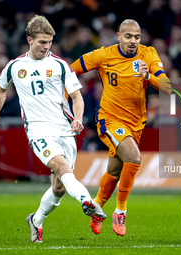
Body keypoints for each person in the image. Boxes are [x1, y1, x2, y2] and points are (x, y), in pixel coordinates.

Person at [0, 15, 106, 243]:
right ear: (29, 40)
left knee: (59, 187)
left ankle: (36, 220)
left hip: (64, 129)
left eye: (49, 42)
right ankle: (88, 202)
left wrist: (78, 118)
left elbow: (77, 97)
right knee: (61, 167)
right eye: (42, 42)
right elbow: (0, 89)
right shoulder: (15, 66)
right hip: (38, 130)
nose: (46, 46)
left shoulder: (59, 64)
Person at [71, 19, 171, 236]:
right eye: (128, 36)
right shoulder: (103, 55)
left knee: (115, 171)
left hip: (136, 124)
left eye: (137, 37)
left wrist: (149, 77)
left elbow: (167, 88)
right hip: (109, 119)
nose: (133, 41)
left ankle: (96, 207)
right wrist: (66, 95)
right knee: (134, 158)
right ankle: (121, 211)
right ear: (118, 36)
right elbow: (70, 71)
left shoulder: (148, 54)